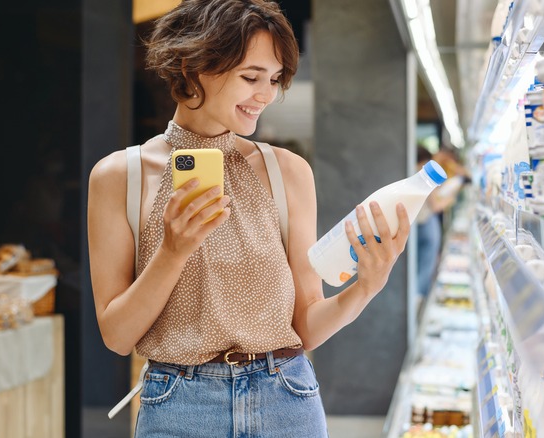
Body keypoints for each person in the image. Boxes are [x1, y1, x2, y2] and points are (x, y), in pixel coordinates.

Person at [86, 1, 411, 436]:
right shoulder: (118, 177)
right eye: (250, 77)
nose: (267, 95)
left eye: (275, 79)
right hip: (179, 406)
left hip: (286, 400)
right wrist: (172, 252)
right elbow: (118, 337)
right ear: (193, 66)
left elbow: (306, 326)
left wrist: (366, 288)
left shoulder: (287, 172)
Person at [415, 146, 460, 301]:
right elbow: (436, 205)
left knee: (420, 263)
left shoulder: (410, 173)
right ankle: (419, 299)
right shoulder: (424, 175)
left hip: (417, 224)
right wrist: (450, 198)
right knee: (425, 265)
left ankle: (417, 298)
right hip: (426, 223)